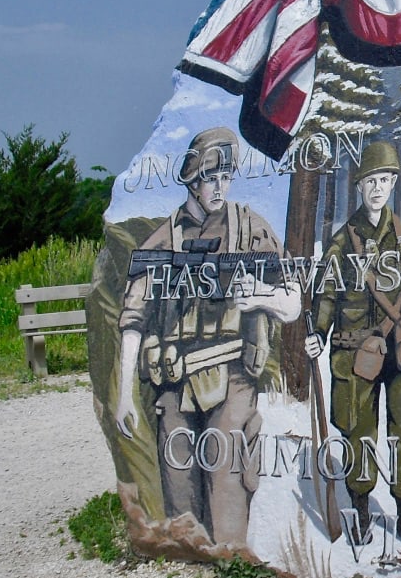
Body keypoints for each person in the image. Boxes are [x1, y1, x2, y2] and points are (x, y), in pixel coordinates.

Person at [114, 127, 301, 545]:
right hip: (174, 384)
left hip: (232, 378)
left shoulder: (250, 229)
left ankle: (231, 569)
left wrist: (259, 297)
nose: (219, 186)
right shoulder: (164, 241)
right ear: (193, 180)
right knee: (181, 504)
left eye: (226, 177)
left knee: (228, 499)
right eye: (211, 177)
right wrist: (125, 393)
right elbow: (132, 320)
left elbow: (292, 303)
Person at [304, 141, 401, 546]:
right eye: (371, 181)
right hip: (355, 351)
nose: (378, 188)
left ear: (394, 184)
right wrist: (317, 334)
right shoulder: (343, 242)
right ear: (359, 186)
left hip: (400, 353)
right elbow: (326, 294)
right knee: (359, 432)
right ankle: (359, 510)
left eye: (386, 180)